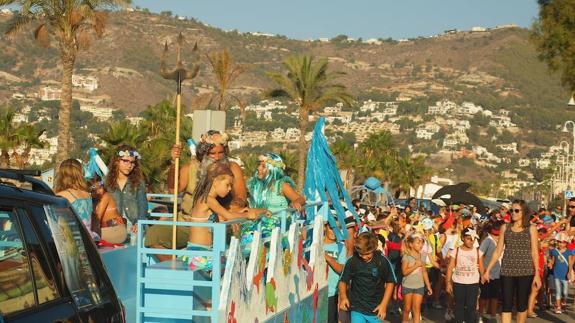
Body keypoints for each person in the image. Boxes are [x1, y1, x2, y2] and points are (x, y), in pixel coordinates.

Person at [145, 130, 251, 252]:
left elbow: (240, 197)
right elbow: (173, 190)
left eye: (220, 152)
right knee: (154, 234)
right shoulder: (189, 168)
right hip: (187, 224)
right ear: (203, 153)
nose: (217, 157)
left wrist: (231, 213)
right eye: (212, 153)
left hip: (222, 225)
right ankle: (180, 269)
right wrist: (174, 163)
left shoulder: (233, 168)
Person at [184, 159, 259, 271]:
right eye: (227, 185)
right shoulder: (208, 200)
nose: (229, 189)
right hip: (198, 256)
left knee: (233, 255)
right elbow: (228, 216)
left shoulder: (207, 199)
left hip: (203, 253)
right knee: (234, 258)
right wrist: (247, 215)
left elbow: (223, 216)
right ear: (215, 181)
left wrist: (239, 213)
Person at [482, 200, 541, 323]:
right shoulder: (505, 227)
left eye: (516, 210)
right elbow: (497, 251)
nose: (513, 213)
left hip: (526, 271)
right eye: (511, 210)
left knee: (521, 305)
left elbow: (535, 252)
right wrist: (487, 270)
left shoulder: (531, 228)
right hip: (507, 271)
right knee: (506, 305)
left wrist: (537, 275)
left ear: (523, 212)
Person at [241, 153, 305, 245]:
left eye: (263, 166)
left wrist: (296, 202)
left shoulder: (281, 185)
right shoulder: (253, 185)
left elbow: (300, 198)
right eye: (259, 165)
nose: (259, 168)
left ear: (273, 169)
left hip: (278, 228)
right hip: (256, 226)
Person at [339, 232, 396, 322]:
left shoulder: (382, 260)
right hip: (357, 308)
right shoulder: (352, 260)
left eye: (367, 254)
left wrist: (384, 305)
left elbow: (390, 282)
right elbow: (343, 281)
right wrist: (343, 297)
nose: (364, 257)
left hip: (376, 310)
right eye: (361, 254)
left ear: (374, 248)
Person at [105, 145, 147, 234]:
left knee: (136, 238)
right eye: (125, 161)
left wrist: (139, 223)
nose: (129, 165)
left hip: (134, 225)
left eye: (132, 162)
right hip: (113, 225)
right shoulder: (107, 183)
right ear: (116, 161)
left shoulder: (138, 182)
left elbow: (142, 204)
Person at [446, 227, 483, 323]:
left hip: (473, 283)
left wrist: (483, 275)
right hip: (458, 283)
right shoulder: (456, 251)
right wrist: (448, 283)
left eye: (473, 239)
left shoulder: (478, 251)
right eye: (468, 238)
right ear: (462, 238)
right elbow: (450, 268)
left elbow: (481, 266)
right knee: (459, 307)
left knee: (471, 307)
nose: (471, 241)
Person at [54, 159, 96, 238]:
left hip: (73, 239)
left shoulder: (62, 195)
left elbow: (55, 220)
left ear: (62, 175)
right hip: (89, 238)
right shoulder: (87, 194)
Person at [401, 231, 432, 323]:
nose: (421, 245)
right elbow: (404, 272)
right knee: (407, 309)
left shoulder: (422, 256)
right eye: (418, 243)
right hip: (408, 285)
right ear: (411, 244)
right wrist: (415, 265)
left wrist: (428, 286)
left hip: (419, 286)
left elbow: (424, 272)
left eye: (422, 243)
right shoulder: (406, 257)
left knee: (417, 309)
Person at [324, 219, 349, 323]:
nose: (334, 231)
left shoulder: (341, 247)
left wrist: (328, 258)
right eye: (331, 228)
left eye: (337, 228)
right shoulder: (315, 244)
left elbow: (342, 270)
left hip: (331, 292)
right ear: (325, 227)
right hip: (314, 291)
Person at [89, 175, 127, 244]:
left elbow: (98, 217)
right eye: (95, 190)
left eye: (100, 187)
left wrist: (90, 234)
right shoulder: (94, 200)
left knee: (86, 237)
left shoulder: (106, 197)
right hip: (111, 230)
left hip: (116, 230)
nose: (99, 191)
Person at [478, 221, 502, 321]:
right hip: (487, 274)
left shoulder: (501, 240)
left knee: (495, 296)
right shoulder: (488, 240)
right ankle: (479, 315)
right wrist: (482, 273)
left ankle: (492, 316)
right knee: (484, 296)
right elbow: (479, 256)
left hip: (498, 274)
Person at [548, 232, 571, 314]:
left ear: (566, 243)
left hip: (565, 275)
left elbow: (570, 263)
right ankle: (558, 306)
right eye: (560, 242)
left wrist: (570, 272)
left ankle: (563, 302)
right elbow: (553, 260)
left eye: (563, 242)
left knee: (565, 292)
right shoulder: (554, 251)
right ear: (557, 242)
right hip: (556, 273)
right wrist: (550, 264)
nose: (561, 244)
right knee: (558, 291)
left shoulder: (568, 252)